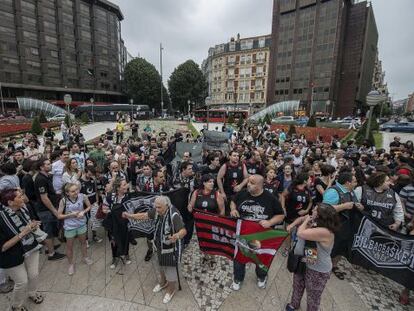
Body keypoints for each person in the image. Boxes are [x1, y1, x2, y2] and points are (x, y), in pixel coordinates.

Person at [122, 196, 187, 304]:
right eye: (155, 207)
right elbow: (144, 215)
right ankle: (163, 283)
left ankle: (171, 290)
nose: (156, 209)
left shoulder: (174, 215)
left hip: (171, 249)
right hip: (160, 245)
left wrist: (176, 236)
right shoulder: (157, 211)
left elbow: (183, 230)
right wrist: (129, 215)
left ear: (166, 206)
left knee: (170, 271)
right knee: (161, 266)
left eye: (159, 207)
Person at [230, 175, 285, 290]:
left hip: (262, 236)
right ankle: (238, 278)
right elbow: (233, 202)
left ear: (260, 185)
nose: (248, 184)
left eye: (252, 183)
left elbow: (281, 215)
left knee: (261, 257)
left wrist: (270, 222)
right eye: (249, 181)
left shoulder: (270, 198)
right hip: (243, 235)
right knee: (239, 257)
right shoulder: (243, 193)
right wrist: (233, 209)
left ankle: (261, 277)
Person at [285, 203, 340, 311]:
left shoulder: (325, 231)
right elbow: (300, 220)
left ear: (320, 216)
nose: (312, 212)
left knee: (313, 296)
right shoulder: (316, 224)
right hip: (305, 261)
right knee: (298, 285)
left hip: (317, 269)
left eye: (314, 211)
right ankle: (294, 304)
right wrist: (293, 225)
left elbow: (301, 233)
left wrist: (305, 221)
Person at [0, 188, 44, 310]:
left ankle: (32, 293)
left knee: (34, 274)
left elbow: (29, 223)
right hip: (11, 255)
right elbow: (3, 247)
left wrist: (33, 226)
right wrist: (23, 233)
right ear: (10, 202)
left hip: (30, 247)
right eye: (19, 197)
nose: (23, 198)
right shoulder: (1, 218)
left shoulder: (24, 208)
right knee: (22, 282)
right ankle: (16, 305)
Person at [322, 171, 362, 279]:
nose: (356, 183)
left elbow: (353, 204)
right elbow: (324, 208)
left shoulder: (351, 192)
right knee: (330, 248)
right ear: (348, 182)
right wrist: (343, 206)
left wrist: (358, 206)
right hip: (333, 226)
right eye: (354, 181)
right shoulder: (333, 191)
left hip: (346, 227)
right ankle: (323, 267)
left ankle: (333, 266)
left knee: (340, 248)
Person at [33, 158, 65, 261]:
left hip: (48, 209)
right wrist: (54, 211)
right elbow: (44, 198)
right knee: (48, 231)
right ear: (41, 167)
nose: (50, 165)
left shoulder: (45, 177)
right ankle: (51, 253)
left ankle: (49, 247)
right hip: (45, 210)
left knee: (50, 230)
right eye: (47, 164)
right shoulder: (40, 179)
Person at [57, 183, 93, 275]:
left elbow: (89, 206)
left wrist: (83, 212)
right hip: (69, 227)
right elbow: (59, 215)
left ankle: (85, 257)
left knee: (83, 242)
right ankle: (71, 264)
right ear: (67, 193)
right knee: (70, 247)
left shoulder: (83, 196)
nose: (76, 192)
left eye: (77, 190)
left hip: (81, 224)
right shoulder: (63, 201)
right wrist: (71, 214)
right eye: (73, 191)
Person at [102, 178, 131, 269]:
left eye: (126, 184)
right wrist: (113, 212)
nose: (127, 186)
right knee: (114, 241)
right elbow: (104, 209)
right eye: (124, 184)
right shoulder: (110, 197)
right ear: (118, 188)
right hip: (113, 224)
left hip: (125, 222)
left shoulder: (128, 196)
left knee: (125, 239)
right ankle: (115, 257)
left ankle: (125, 254)